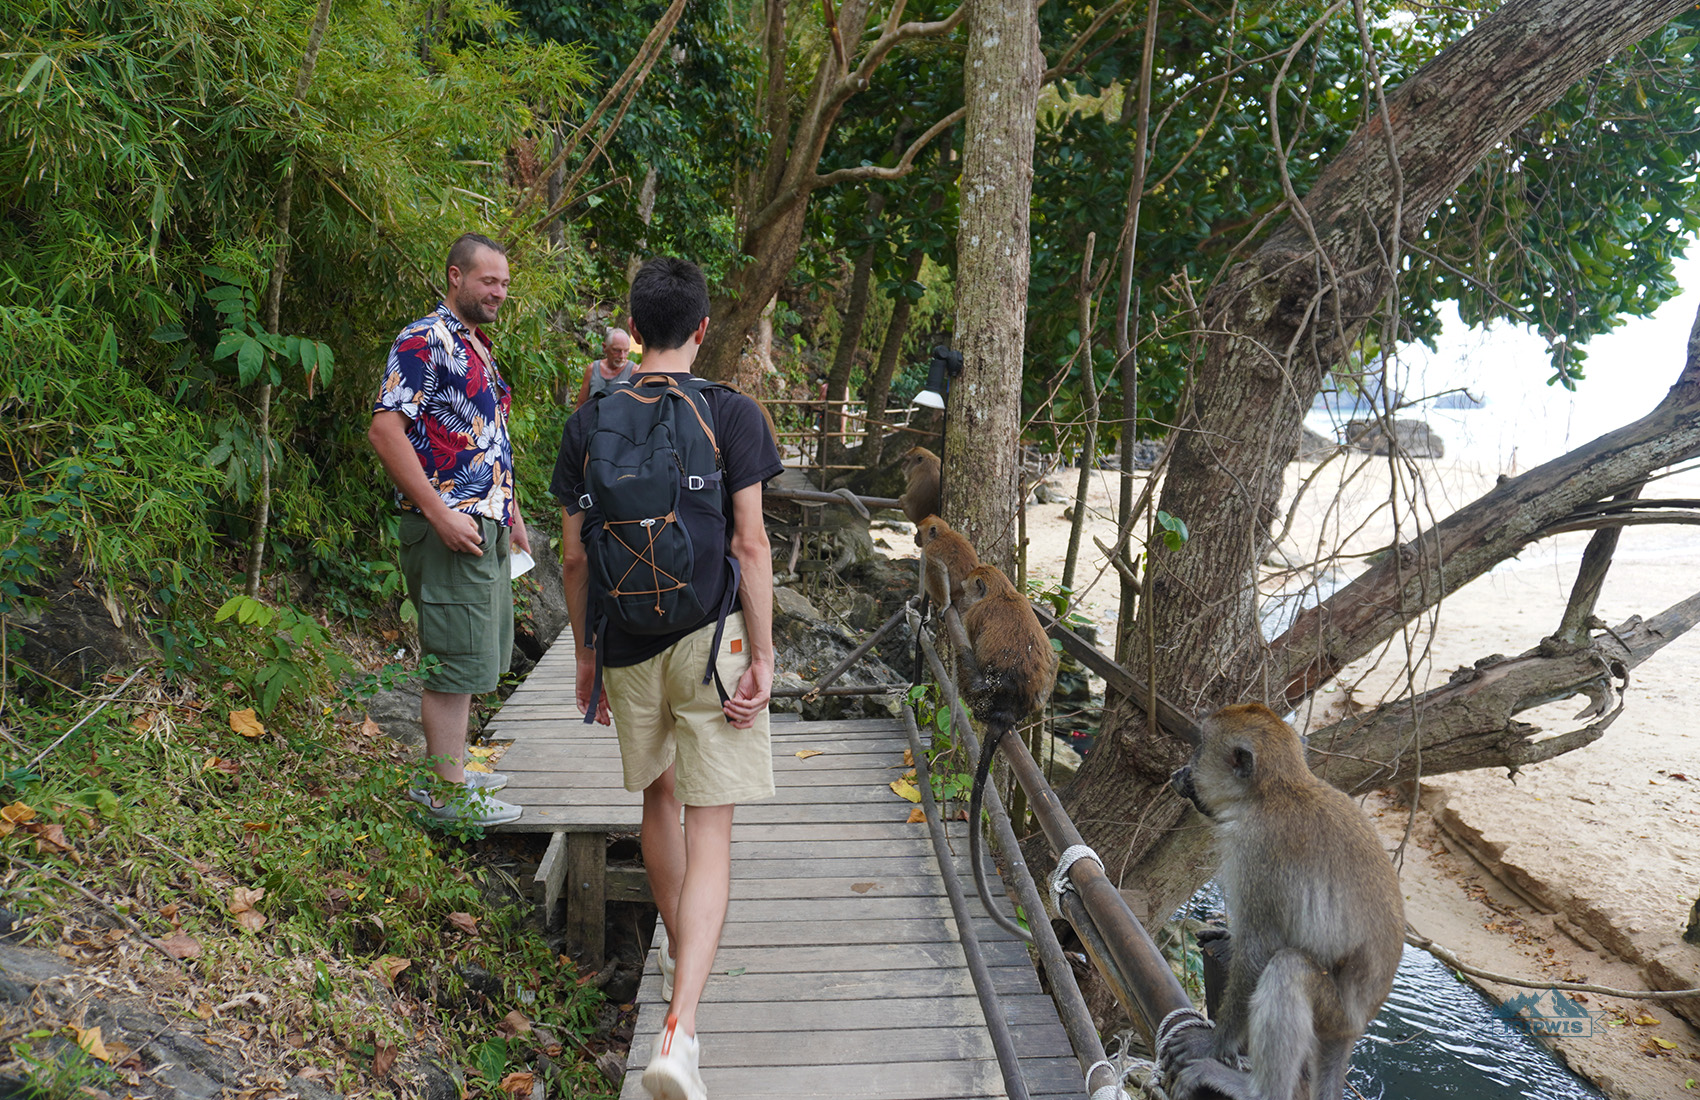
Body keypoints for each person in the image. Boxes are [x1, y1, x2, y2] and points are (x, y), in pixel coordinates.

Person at [552, 257, 780, 1100]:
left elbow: (575, 555)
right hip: (709, 633)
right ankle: (681, 1030)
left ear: (635, 326)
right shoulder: (732, 413)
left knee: (658, 803)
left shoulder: (590, 419)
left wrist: (584, 655)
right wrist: (761, 654)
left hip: (626, 640)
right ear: (705, 328)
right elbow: (750, 546)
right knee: (709, 827)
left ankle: (685, 996)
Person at [368, 232, 530, 827]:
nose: (500, 293)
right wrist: (438, 512)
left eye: (505, 283)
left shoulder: (474, 345)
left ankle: (453, 770)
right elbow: (386, 431)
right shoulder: (424, 339)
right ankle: (445, 798)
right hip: (446, 529)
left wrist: (509, 512)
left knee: (475, 655)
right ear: (456, 276)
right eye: (490, 281)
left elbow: (481, 437)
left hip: (483, 524)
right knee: (453, 657)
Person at [572, 326, 634, 406]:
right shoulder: (592, 369)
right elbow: (580, 405)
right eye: (616, 350)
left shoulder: (634, 371)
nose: (622, 356)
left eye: (626, 351)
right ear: (604, 347)